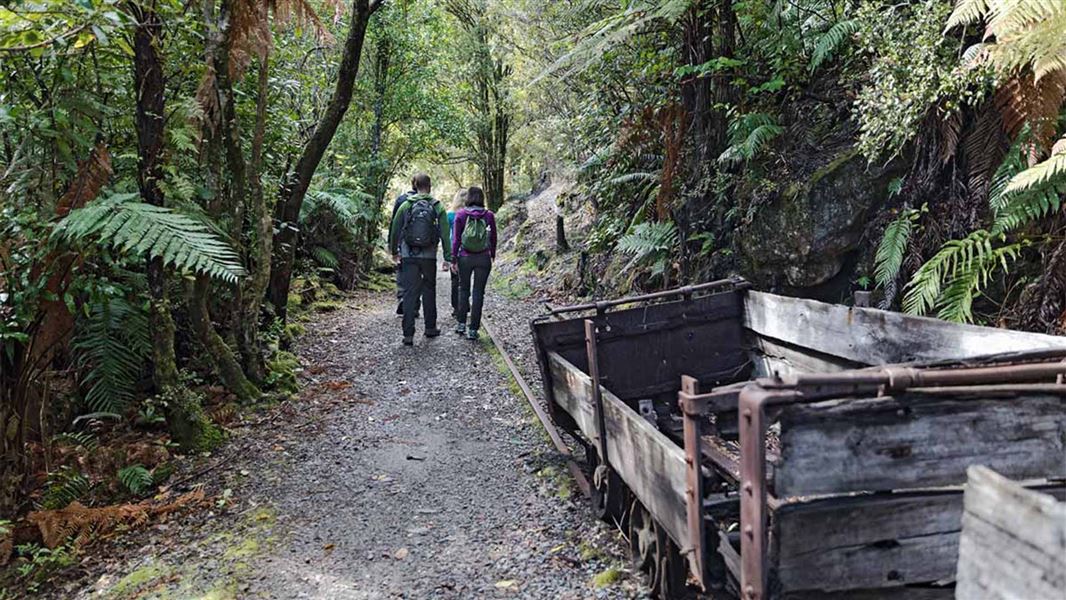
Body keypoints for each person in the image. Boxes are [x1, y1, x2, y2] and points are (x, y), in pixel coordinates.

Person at [389, 174, 452, 346]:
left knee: (410, 292)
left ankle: (408, 334)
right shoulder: (437, 206)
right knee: (429, 290)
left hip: (409, 255)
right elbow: (445, 233)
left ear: (415, 185)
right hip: (429, 255)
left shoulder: (405, 205)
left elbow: (395, 228)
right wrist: (447, 257)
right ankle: (430, 328)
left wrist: (394, 251)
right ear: (430, 186)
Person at [450, 186, 497, 340]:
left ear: (469, 198)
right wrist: (492, 255)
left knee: (463, 290)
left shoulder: (461, 215)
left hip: (465, 257)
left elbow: (456, 239)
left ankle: (461, 324)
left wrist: (453, 259)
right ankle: (473, 330)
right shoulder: (489, 215)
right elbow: (493, 237)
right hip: (483, 257)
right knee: (478, 293)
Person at [391, 177, 420, 317]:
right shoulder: (428, 200)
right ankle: (415, 304)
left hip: (403, 242)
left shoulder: (402, 199)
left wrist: (392, 246)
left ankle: (403, 297)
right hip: (422, 244)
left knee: (402, 271)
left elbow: (394, 223)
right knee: (418, 272)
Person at [447, 188, 468, 321]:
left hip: (454, 249)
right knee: (465, 280)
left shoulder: (450, 215)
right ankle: (465, 305)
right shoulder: (471, 213)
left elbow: (447, 233)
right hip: (468, 250)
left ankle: (456, 307)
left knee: (455, 280)